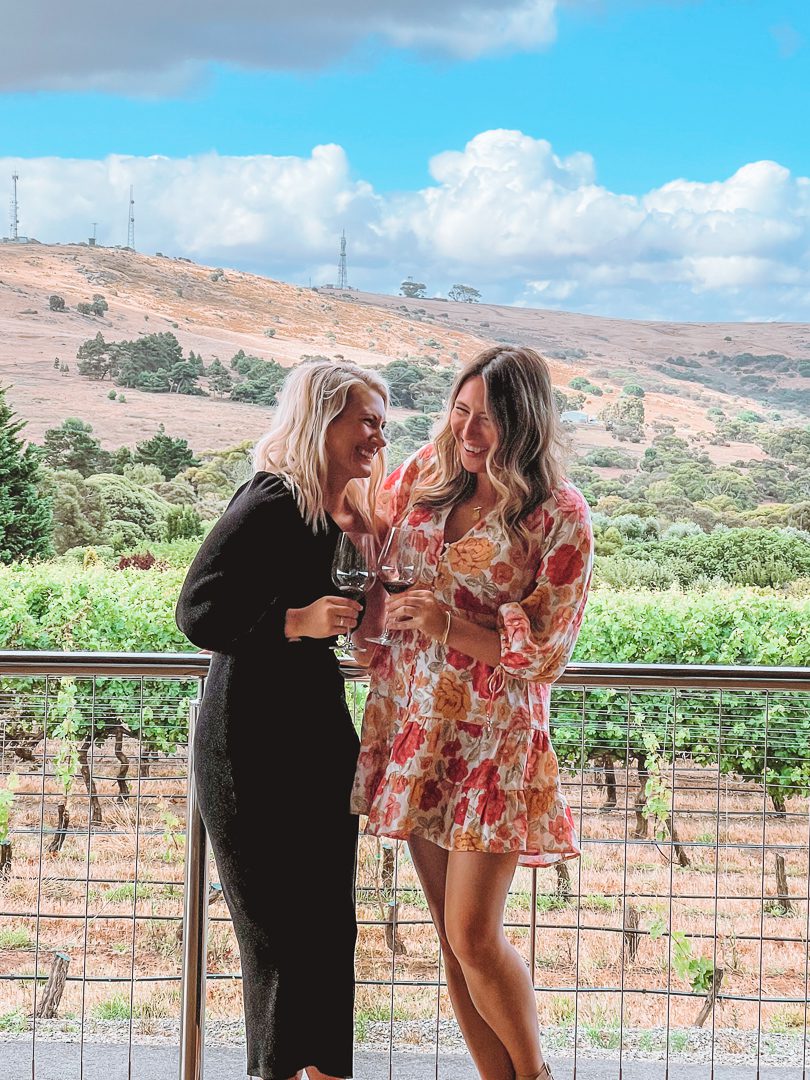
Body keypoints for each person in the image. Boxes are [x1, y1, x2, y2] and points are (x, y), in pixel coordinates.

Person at [351, 346, 593, 1080]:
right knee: (449, 940)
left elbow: (546, 654)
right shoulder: (427, 470)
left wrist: (445, 626)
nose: (468, 431)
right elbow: (366, 534)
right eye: (461, 411)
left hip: (492, 741)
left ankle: (535, 1075)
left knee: (474, 935)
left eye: (487, 420)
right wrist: (368, 615)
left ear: (526, 423)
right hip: (418, 727)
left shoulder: (559, 516)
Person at [176, 360, 388, 1080]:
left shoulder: (336, 511)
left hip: (316, 741)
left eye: (381, 418)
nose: (378, 431)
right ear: (322, 420)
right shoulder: (273, 498)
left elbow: (362, 614)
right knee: (278, 944)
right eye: (366, 417)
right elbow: (198, 610)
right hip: (250, 748)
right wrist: (294, 621)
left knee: (330, 935)